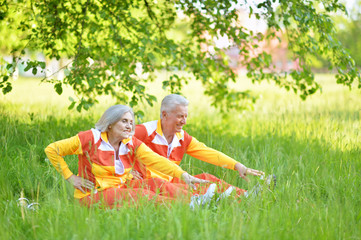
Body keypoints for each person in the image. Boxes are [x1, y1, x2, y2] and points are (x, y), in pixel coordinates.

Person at [45, 104, 212, 208]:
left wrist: (183, 174)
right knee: (140, 195)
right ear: (110, 123)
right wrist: (70, 177)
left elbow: (157, 160)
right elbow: (52, 150)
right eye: (124, 121)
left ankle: (196, 200)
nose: (129, 126)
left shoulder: (131, 142)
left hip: (119, 189)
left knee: (156, 183)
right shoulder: (90, 138)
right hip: (92, 195)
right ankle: (187, 206)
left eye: (131, 122)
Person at [134, 94, 265, 196]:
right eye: (180, 116)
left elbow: (208, 153)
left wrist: (237, 166)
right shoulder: (144, 131)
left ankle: (247, 196)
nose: (184, 121)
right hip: (147, 184)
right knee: (188, 189)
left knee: (207, 179)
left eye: (186, 116)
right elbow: (114, 142)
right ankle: (201, 200)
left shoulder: (182, 138)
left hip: (171, 181)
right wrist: (126, 170)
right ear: (164, 115)